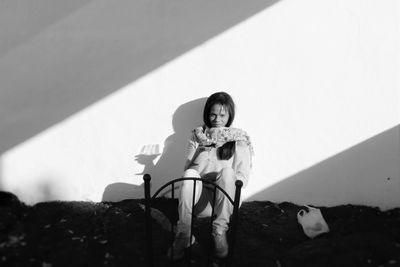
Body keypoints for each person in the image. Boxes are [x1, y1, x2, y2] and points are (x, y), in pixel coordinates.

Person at [169, 92, 253, 260]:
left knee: (228, 172)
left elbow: (242, 177)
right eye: (213, 114)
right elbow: (187, 172)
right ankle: (184, 233)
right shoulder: (198, 135)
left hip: (223, 201)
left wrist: (218, 178)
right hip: (201, 201)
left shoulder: (238, 138)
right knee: (190, 173)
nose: (217, 119)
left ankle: (219, 231)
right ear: (207, 114)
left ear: (229, 116)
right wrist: (200, 150)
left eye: (222, 115)